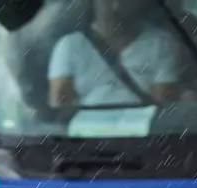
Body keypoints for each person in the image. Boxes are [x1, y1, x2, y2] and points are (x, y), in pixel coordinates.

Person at [48, 0, 185, 120]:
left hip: (143, 139)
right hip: (86, 140)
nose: (116, 5)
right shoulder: (69, 46)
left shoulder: (161, 44)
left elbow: (164, 108)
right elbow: (61, 109)